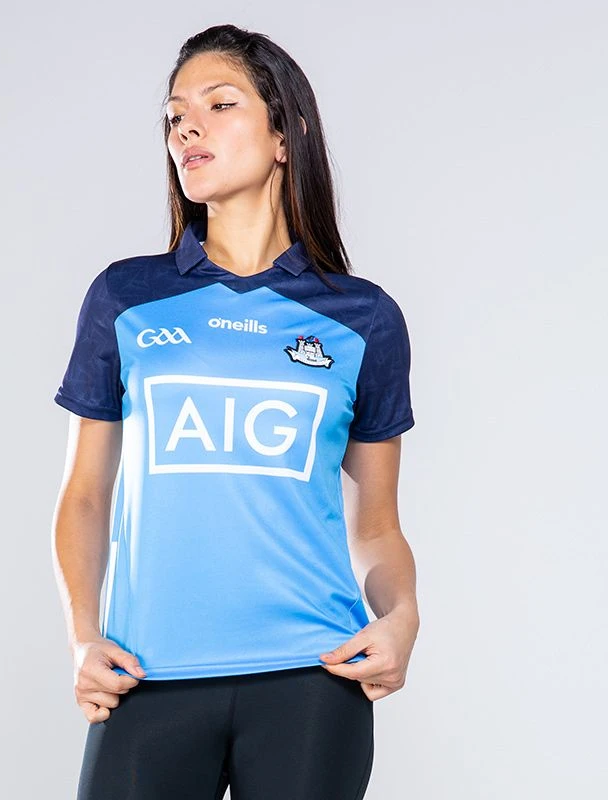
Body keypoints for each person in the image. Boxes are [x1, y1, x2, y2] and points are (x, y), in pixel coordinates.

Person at [51, 23, 420, 800]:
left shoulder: (362, 319)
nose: (187, 127)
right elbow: (84, 496)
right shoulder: (125, 297)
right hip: (146, 672)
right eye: (175, 115)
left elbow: (376, 525)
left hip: (313, 679)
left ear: (285, 134)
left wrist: (401, 617)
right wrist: (83, 637)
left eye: (219, 105)